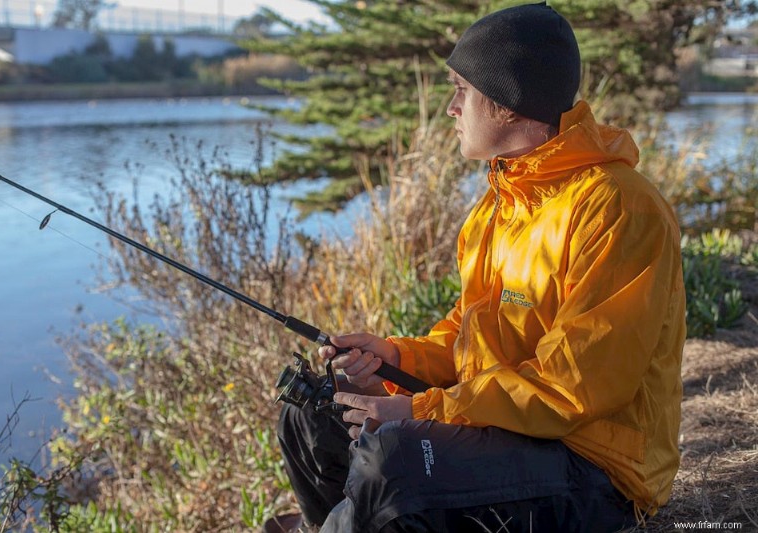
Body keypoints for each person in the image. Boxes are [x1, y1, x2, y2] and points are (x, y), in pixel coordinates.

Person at [270, 2, 686, 532]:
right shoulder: (501, 201)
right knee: (309, 416)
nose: (450, 109)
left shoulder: (618, 208)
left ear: (509, 104)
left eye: (461, 90)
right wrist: (396, 358)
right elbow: (472, 339)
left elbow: (573, 389)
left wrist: (422, 413)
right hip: (510, 431)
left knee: (392, 461)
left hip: (595, 468)